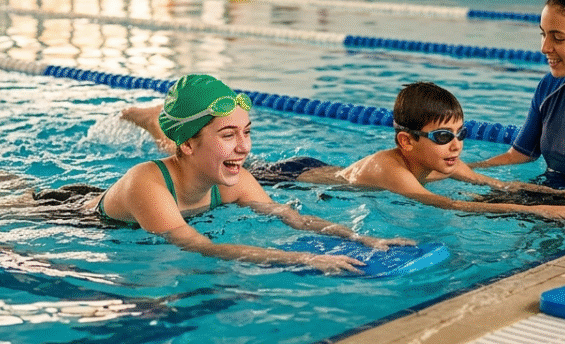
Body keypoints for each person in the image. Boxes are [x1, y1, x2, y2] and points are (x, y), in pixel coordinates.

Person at [82, 74, 407, 274]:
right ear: (189, 144)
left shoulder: (235, 182)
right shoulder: (146, 185)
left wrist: (360, 238)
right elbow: (199, 246)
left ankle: (155, 120)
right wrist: (301, 258)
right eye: (228, 135)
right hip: (69, 213)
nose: (244, 147)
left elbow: (290, 216)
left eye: (246, 132)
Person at [123, 82, 565, 220]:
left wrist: (548, 198)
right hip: (296, 176)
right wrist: (542, 214)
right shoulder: (391, 169)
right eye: (443, 137)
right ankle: (157, 122)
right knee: (203, 155)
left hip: (322, 167)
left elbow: (490, 183)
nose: (456, 146)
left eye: (459, 134)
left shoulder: (443, 156)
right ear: (407, 141)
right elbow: (449, 203)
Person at [470, 0, 565, 187]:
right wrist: (462, 169)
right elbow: (519, 154)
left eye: (558, 38)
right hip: (547, 190)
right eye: (543, 34)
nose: (544, 48)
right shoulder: (549, 87)